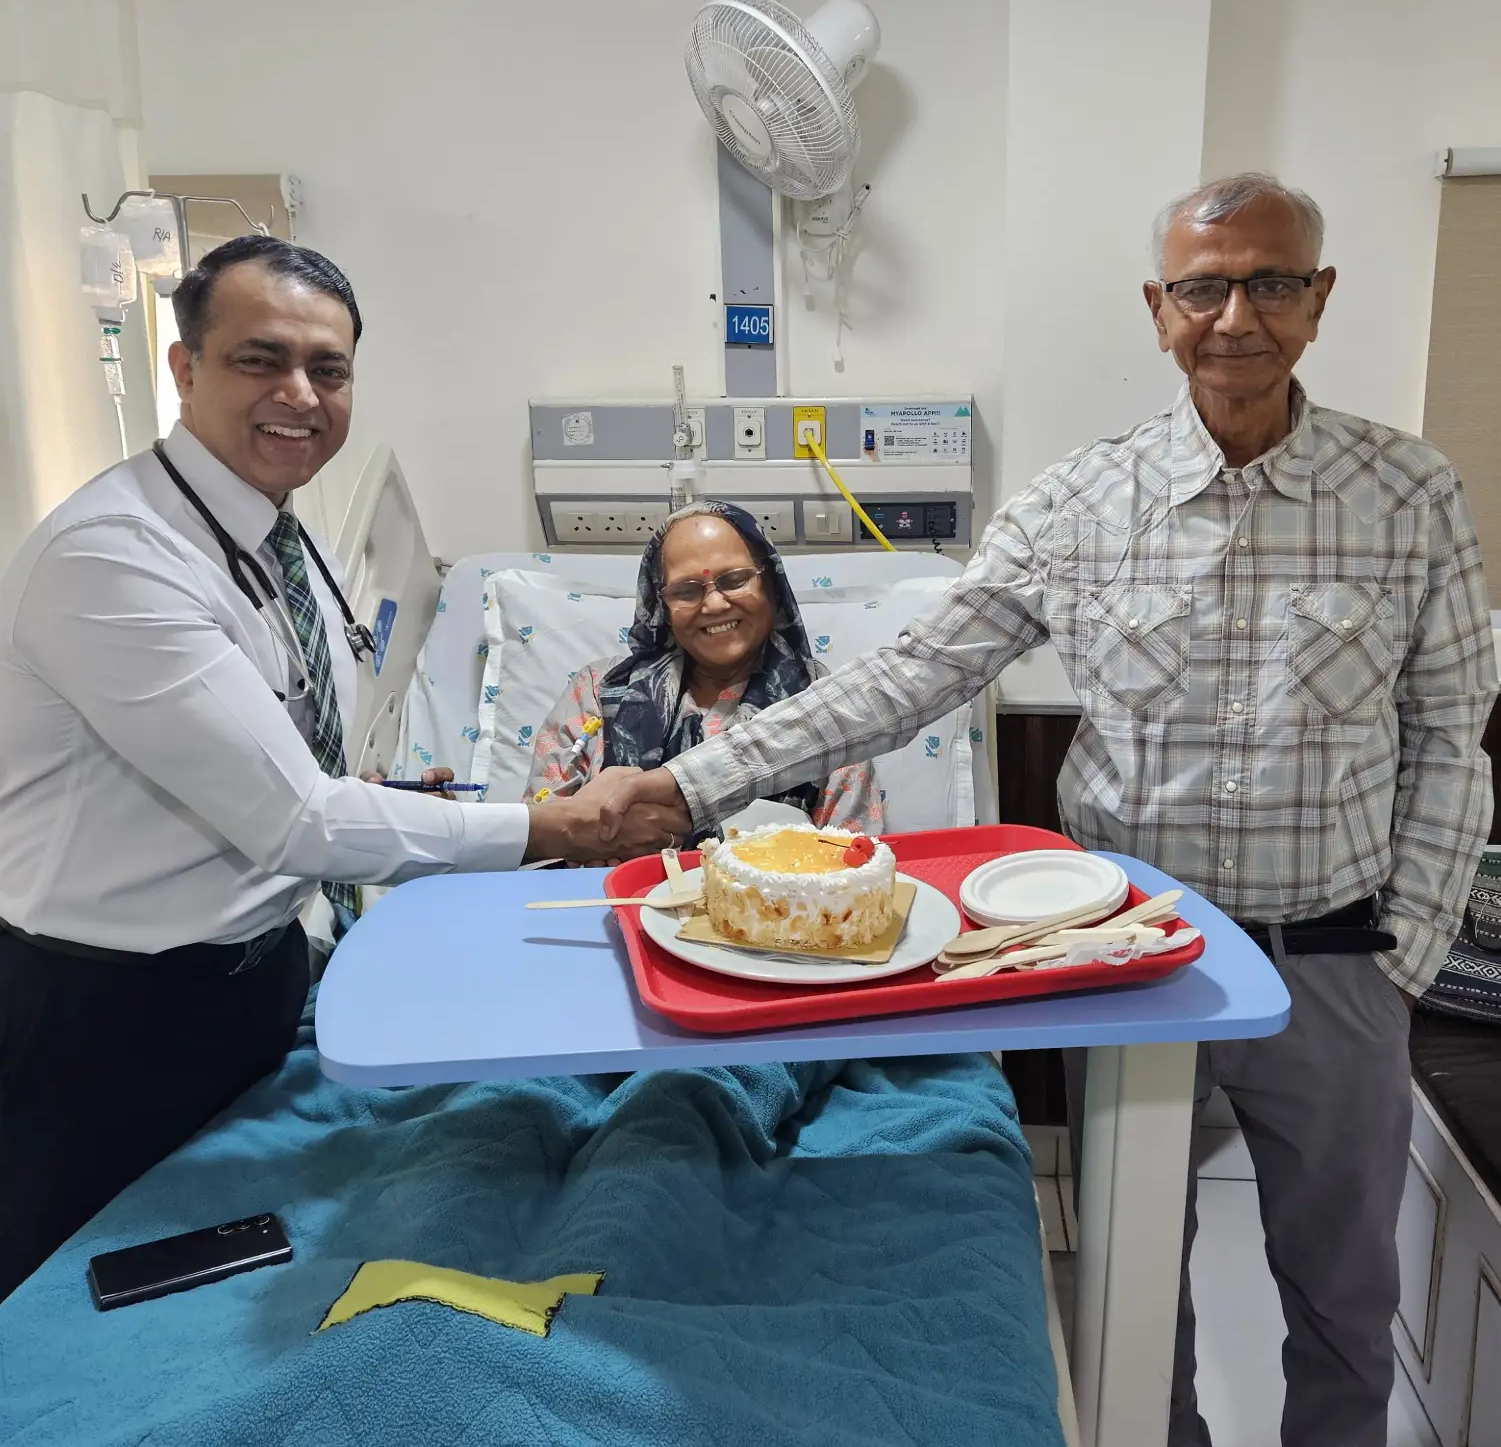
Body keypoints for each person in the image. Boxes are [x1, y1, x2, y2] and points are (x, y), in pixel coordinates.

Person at [596, 174, 1498, 1445]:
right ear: (1158, 308)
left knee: (1345, 1292)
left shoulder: (1406, 495)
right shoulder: (1081, 505)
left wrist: (1404, 956)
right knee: (1136, 1286)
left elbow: (1451, 734)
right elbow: (912, 676)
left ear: (1318, 297)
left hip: (1335, 961)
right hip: (1130, 957)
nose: (1235, 315)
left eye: (1271, 283)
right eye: (1202, 287)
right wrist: (690, 781)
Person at [0, 235, 678, 1299]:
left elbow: (299, 750)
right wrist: (557, 825)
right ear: (183, 368)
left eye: (329, 368)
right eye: (259, 359)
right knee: (75, 1301)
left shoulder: (281, 536)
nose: (301, 395)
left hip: (263, 982)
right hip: (111, 1022)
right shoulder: (112, 556)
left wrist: (400, 805)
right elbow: (298, 818)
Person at [526, 501, 882, 840]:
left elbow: (855, 856)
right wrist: (587, 836)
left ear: (771, 586)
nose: (713, 604)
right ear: (662, 606)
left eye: (735, 580)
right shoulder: (599, 691)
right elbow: (539, 837)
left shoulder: (826, 705)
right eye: (686, 591)